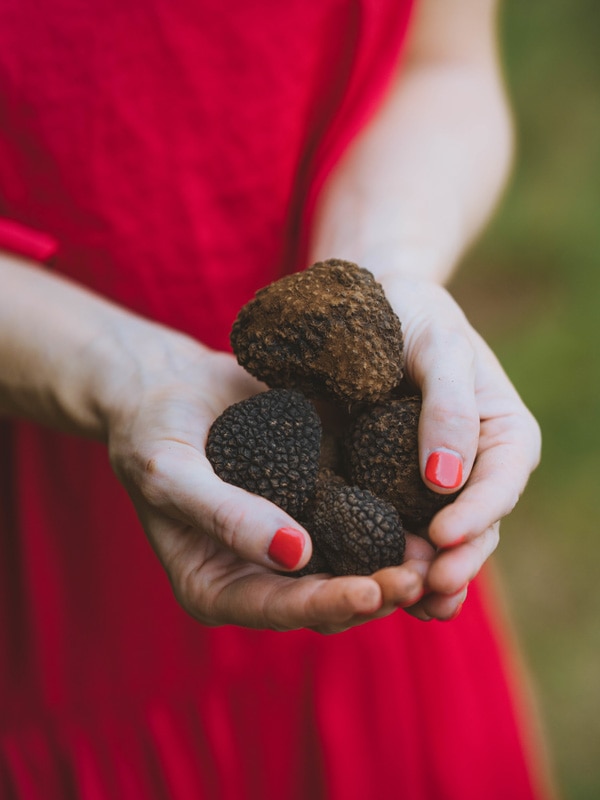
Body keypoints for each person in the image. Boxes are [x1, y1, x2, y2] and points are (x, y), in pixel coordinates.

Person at [0, 0, 555, 797]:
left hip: (381, 599)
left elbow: (442, 65)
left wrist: (386, 261)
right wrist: (114, 371)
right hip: (48, 597)